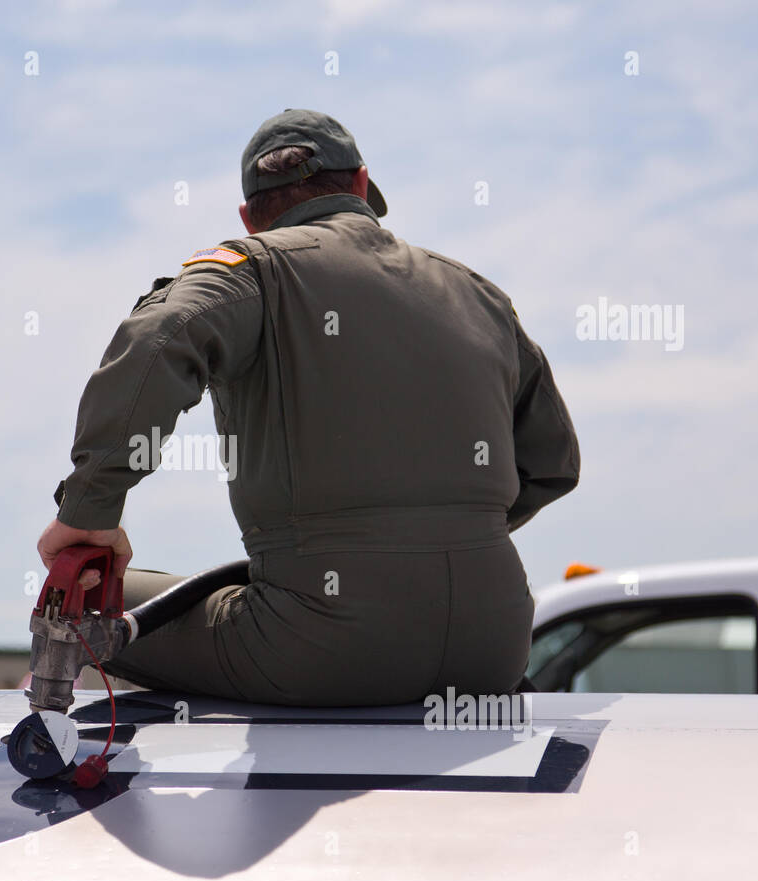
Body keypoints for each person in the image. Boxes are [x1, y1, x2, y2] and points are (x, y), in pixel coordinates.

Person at [36, 109, 580, 707]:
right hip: (494, 649)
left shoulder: (255, 270)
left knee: (81, 597)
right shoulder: (480, 293)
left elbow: (161, 336)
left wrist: (91, 506)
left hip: (320, 652)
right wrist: (437, 537)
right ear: (361, 185)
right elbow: (553, 463)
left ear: (248, 216)